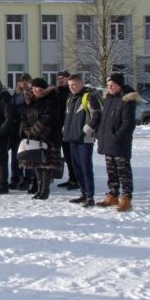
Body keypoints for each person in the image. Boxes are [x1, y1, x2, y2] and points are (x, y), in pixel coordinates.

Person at [96, 73, 139, 212]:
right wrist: (100, 134)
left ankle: (126, 198)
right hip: (108, 141)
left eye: (113, 85)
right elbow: (105, 121)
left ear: (120, 85)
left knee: (123, 172)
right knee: (111, 171)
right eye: (108, 85)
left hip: (120, 143)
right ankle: (113, 194)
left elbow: (128, 124)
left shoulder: (127, 100)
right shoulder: (108, 99)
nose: (111, 87)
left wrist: (116, 137)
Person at [20, 77, 64, 200]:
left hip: (49, 137)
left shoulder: (51, 99)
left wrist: (35, 131)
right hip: (34, 137)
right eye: (33, 88)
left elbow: (48, 118)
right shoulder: (31, 101)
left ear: (43, 88)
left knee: (47, 165)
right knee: (37, 163)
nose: (35, 90)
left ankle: (45, 190)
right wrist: (27, 130)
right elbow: (25, 116)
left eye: (37, 87)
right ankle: (39, 189)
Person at [61, 73, 102, 207]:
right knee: (77, 167)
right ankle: (83, 193)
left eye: (74, 85)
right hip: (72, 138)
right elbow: (68, 118)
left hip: (84, 140)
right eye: (69, 85)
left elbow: (96, 117)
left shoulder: (89, 97)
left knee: (86, 167)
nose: (71, 87)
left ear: (81, 84)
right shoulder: (70, 99)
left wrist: (84, 132)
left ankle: (90, 196)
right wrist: (65, 131)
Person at [54, 70, 79, 191]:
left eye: (63, 78)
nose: (60, 80)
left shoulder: (72, 93)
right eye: (59, 78)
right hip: (59, 128)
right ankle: (71, 178)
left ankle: (76, 179)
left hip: (70, 128)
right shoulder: (57, 92)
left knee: (73, 156)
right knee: (67, 156)